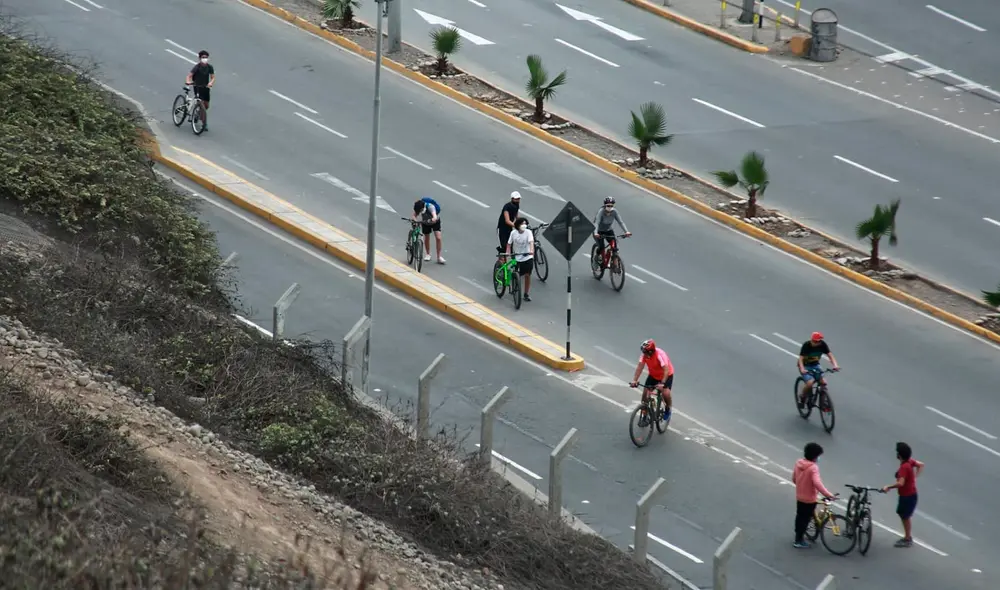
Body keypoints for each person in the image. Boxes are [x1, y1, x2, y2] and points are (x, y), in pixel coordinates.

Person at [792, 442, 836, 549]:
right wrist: (828, 494)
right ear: (815, 456)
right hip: (809, 499)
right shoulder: (813, 468)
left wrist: (801, 485)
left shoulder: (799, 463)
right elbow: (817, 483)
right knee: (805, 519)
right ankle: (799, 541)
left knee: (800, 516)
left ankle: (798, 536)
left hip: (800, 496)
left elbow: (794, 478)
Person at [881, 442, 924, 548]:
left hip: (907, 496)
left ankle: (907, 538)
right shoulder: (910, 462)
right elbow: (921, 465)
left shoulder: (904, 467)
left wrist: (888, 487)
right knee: (902, 514)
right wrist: (914, 477)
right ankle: (907, 537)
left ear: (899, 455)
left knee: (905, 516)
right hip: (911, 494)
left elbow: (901, 483)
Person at [629, 339, 674, 424]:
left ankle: (668, 408)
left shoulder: (660, 355)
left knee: (665, 393)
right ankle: (644, 416)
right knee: (645, 394)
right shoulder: (644, 356)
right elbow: (640, 367)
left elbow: (666, 370)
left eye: (645, 352)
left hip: (666, 375)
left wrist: (663, 383)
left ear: (650, 352)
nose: (643, 354)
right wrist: (635, 380)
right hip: (653, 375)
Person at [797, 331, 840, 408]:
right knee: (810, 382)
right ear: (812, 340)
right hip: (805, 366)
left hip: (815, 364)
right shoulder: (806, 345)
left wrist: (835, 365)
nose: (818, 343)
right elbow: (800, 359)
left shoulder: (822, 344)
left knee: (823, 382)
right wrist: (802, 369)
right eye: (816, 341)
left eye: (819, 341)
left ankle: (823, 403)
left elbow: (830, 355)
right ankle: (802, 397)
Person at [592, 197, 631, 262]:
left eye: (611, 205)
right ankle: (597, 257)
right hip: (599, 231)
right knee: (601, 247)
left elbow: (621, 222)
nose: (610, 207)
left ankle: (615, 264)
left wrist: (626, 231)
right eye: (608, 205)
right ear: (605, 205)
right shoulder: (601, 212)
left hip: (608, 230)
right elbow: (597, 223)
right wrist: (596, 233)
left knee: (615, 248)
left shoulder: (614, 212)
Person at [505, 217, 535, 301]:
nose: (524, 225)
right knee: (516, 274)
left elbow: (531, 242)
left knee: (527, 275)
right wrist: (507, 252)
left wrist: (531, 251)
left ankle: (526, 293)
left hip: (528, 257)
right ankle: (514, 287)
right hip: (517, 257)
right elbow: (509, 244)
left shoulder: (528, 232)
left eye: (525, 224)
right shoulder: (513, 233)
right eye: (522, 224)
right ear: (518, 225)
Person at [185, 50, 215, 131]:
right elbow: (189, 75)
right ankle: (204, 124)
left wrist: (211, 83)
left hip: (206, 87)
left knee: (206, 106)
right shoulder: (197, 67)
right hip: (197, 87)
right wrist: (188, 81)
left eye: (206, 57)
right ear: (200, 58)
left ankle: (198, 112)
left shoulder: (210, 67)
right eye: (203, 57)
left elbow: (212, 77)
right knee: (202, 106)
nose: (205, 59)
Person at [411, 197, 445, 264]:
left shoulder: (430, 207)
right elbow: (414, 215)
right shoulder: (418, 207)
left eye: (420, 211)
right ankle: (428, 254)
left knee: (438, 238)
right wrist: (416, 221)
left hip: (435, 222)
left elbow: (434, 216)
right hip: (425, 223)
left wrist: (433, 219)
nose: (420, 212)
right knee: (427, 237)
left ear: (422, 208)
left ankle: (439, 257)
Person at [496, 191, 521, 261]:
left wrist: (521, 223)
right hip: (502, 229)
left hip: (509, 229)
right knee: (504, 247)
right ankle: (501, 263)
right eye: (516, 199)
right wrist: (516, 226)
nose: (518, 200)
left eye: (518, 199)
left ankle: (514, 264)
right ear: (512, 199)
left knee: (510, 246)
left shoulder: (516, 206)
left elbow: (516, 216)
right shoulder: (507, 207)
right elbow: (507, 220)